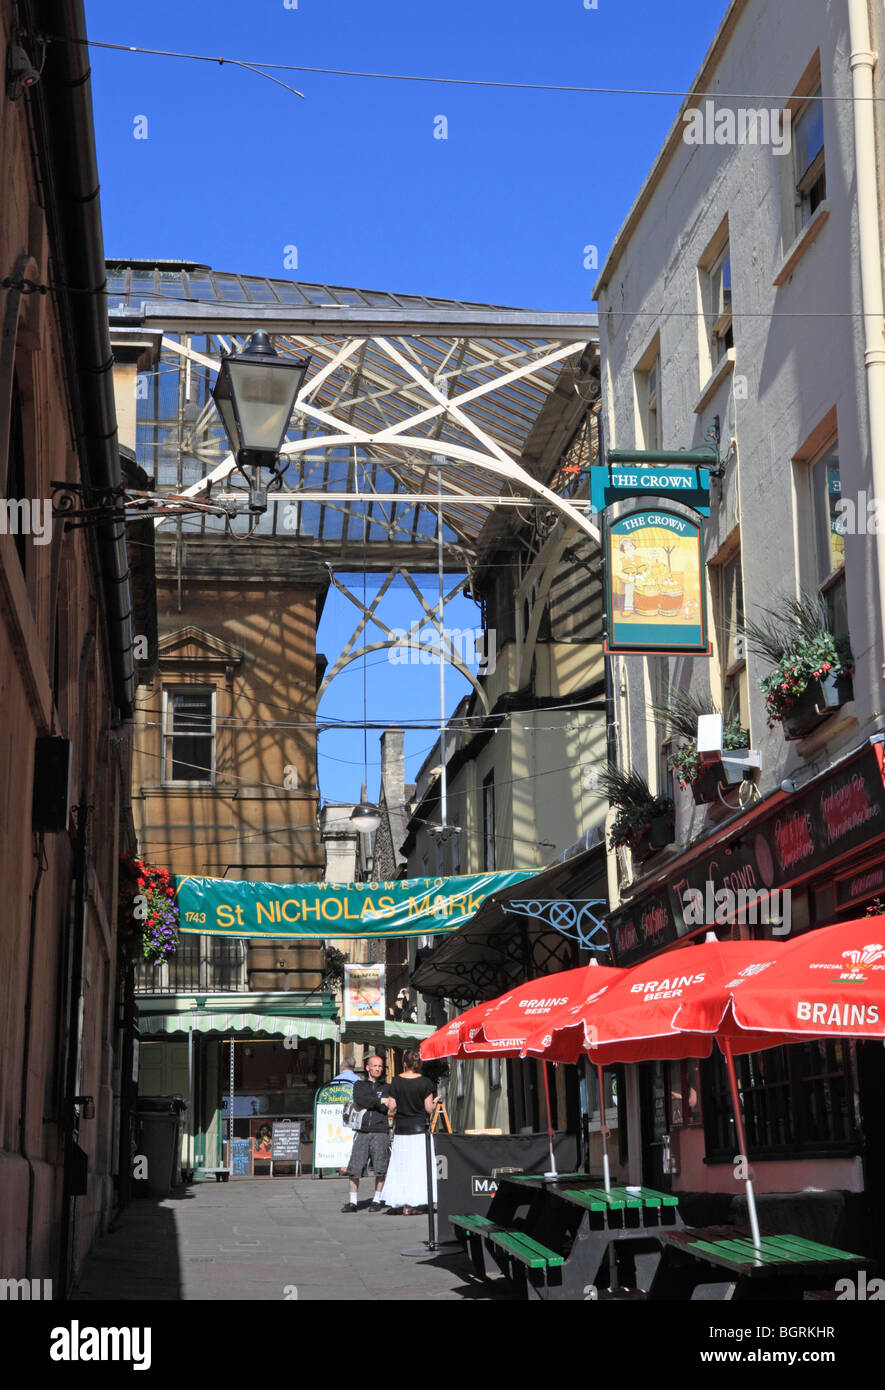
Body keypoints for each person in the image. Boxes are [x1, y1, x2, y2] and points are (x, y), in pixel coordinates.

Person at [380, 1051, 438, 1215]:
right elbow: (428, 1109)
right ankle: (416, 1202)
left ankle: (405, 1203)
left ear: (404, 1063)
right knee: (419, 1168)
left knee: (402, 1167)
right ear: (418, 1064)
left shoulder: (397, 1081)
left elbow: (392, 1106)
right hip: (420, 1130)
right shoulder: (425, 1082)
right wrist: (435, 1101)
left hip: (402, 1130)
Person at [342, 1055, 392, 1214]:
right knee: (355, 1166)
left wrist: (380, 1103)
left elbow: (387, 1107)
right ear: (368, 1068)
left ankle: (377, 1199)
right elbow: (361, 1099)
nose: (378, 1069)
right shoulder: (359, 1085)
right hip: (362, 1130)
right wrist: (379, 1102)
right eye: (375, 1066)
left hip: (380, 1130)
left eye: (380, 1066)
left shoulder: (387, 1087)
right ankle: (352, 1202)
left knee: (380, 1167)